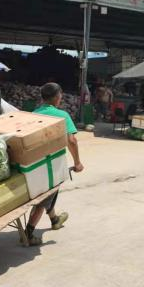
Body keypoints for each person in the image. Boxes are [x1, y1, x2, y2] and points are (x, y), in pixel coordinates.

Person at [25, 82, 84, 246]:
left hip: (33, 164)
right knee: (45, 198)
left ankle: (55, 220)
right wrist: (78, 163)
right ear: (58, 97)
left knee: (51, 193)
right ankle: (29, 233)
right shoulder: (62, 115)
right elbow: (71, 140)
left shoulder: (33, 114)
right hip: (52, 166)